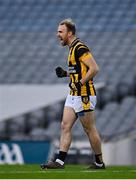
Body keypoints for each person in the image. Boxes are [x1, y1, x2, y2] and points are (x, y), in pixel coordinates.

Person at [41, 18, 105, 170]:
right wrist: (65, 73)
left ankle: (99, 163)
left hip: (84, 94)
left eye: (60, 32)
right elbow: (79, 71)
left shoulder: (80, 48)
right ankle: (60, 162)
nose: (58, 35)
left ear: (69, 33)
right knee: (65, 125)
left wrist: (80, 83)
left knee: (89, 129)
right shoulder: (72, 48)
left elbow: (94, 69)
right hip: (74, 93)